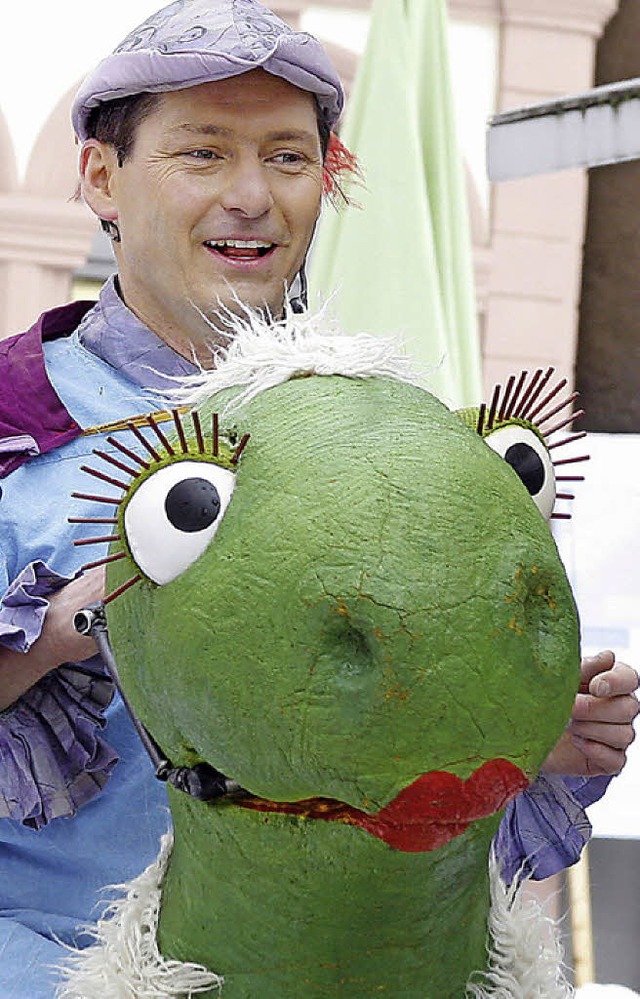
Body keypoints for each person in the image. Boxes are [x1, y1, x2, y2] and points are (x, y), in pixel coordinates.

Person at [0, 1, 637, 995]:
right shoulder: (13, 425)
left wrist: (522, 743)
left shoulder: (394, 430)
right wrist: (62, 627)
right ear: (100, 178)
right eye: (203, 155)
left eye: (289, 158)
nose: (253, 196)